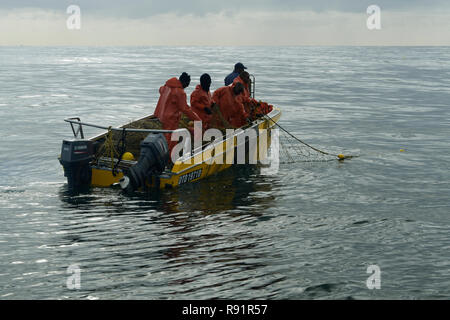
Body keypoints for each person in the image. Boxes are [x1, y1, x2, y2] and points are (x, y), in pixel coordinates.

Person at [153, 72, 201, 154]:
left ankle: (163, 155)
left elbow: (160, 90)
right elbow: (184, 108)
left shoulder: (166, 87)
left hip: (161, 116)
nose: (187, 86)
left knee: (164, 137)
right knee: (171, 141)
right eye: (187, 84)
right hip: (170, 119)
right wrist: (197, 119)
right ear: (184, 82)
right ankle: (168, 159)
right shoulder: (180, 92)